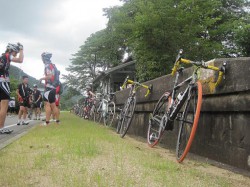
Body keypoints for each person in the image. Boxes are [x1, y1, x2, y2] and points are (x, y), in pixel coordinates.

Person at [0, 43, 24, 134]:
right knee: (4, 105)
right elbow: (20, 60)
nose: (16, 54)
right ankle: (1, 127)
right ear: (10, 50)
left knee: (1, 105)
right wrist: (21, 49)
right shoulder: (7, 56)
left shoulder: (2, 57)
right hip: (3, 81)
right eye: (15, 52)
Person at [39, 52, 60, 125]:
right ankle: (57, 121)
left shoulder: (47, 66)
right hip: (54, 88)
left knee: (47, 105)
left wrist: (42, 78)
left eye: (42, 58)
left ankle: (47, 122)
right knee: (53, 105)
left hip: (49, 88)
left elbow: (50, 76)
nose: (41, 59)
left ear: (44, 58)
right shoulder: (53, 65)